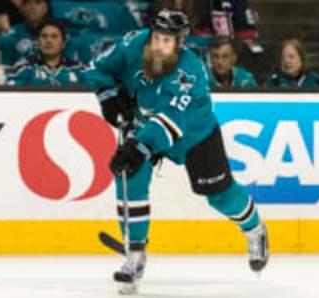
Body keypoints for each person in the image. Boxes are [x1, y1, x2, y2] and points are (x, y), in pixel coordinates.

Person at [85, 9, 269, 294]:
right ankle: (135, 256)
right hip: (144, 123)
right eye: (156, 37)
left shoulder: (191, 73)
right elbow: (96, 67)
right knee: (130, 177)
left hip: (194, 134)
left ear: (180, 44)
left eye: (166, 41)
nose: (157, 45)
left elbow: (169, 123)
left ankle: (255, 229)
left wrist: (137, 147)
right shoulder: (134, 43)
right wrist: (108, 96)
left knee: (220, 196)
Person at [7, 20, 84, 86]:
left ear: (63, 43)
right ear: (37, 42)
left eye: (54, 36)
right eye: (44, 36)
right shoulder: (24, 67)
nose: (48, 41)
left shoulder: (78, 68)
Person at [0, 0, 52, 66]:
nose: (32, 7)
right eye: (27, 3)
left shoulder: (58, 36)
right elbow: (1, 71)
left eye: (37, 2)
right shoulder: (7, 38)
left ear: (45, 8)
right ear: (21, 8)